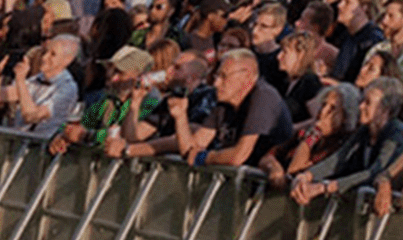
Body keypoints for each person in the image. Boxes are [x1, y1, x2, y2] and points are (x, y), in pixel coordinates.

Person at [114, 48, 292, 168]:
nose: (216, 83)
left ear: (246, 77)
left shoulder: (263, 96)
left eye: (223, 76)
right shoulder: (223, 102)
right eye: (216, 76)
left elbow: (238, 156)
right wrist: (181, 117)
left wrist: (204, 157)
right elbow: (190, 149)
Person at [292, 77, 403, 205]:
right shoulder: (364, 130)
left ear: (385, 110)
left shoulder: (397, 135)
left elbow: (374, 172)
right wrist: (305, 176)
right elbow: (338, 159)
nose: (361, 106)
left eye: (368, 102)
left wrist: (325, 187)